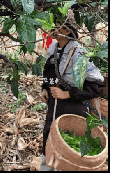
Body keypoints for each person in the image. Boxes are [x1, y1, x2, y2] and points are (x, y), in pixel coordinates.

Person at [40, 9, 105, 169]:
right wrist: (44, 89)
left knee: (68, 154)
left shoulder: (79, 54)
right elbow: (49, 73)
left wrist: (67, 93)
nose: (51, 29)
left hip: (72, 112)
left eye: (55, 25)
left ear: (67, 30)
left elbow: (96, 86)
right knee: (49, 146)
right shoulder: (53, 49)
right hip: (53, 111)